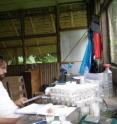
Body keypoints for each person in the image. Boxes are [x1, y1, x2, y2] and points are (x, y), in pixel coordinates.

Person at [0, 55, 28, 124]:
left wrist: (16, 103)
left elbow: (3, 105)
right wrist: (16, 121)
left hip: (17, 114)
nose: (5, 71)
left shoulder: (0, 83)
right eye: (3, 68)